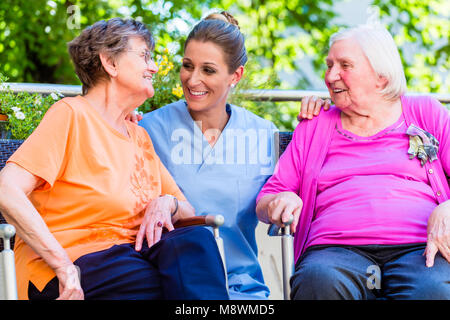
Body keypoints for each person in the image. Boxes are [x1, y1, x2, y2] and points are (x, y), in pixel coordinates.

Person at [0, 18, 229, 300]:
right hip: (72, 269)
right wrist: (64, 267)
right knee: (163, 284)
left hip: (135, 258)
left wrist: (166, 202)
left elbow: (187, 209)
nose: (154, 67)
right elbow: (6, 189)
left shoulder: (139, 136)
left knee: (196, 241)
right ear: (110, 62)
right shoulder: (71, 115)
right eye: (145, 55)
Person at [138, 11, 329, 299]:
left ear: (235, 75)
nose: (192, 80)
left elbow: (303, 191)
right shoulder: (149, 129)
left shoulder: (264, 135)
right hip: (170, 284)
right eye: (187, 66)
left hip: (241, 288)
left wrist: (328, 113)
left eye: (208, 70)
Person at [256, 24, 450, 300]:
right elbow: (267, 198)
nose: (330, 75)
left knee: (433, 292)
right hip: (334, 252)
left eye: (344, 65)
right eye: (329, 65)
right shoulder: (315, 126)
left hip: (420, 249)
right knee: (317, 283)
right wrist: (281, 200)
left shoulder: (425, 112)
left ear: (381, 77)